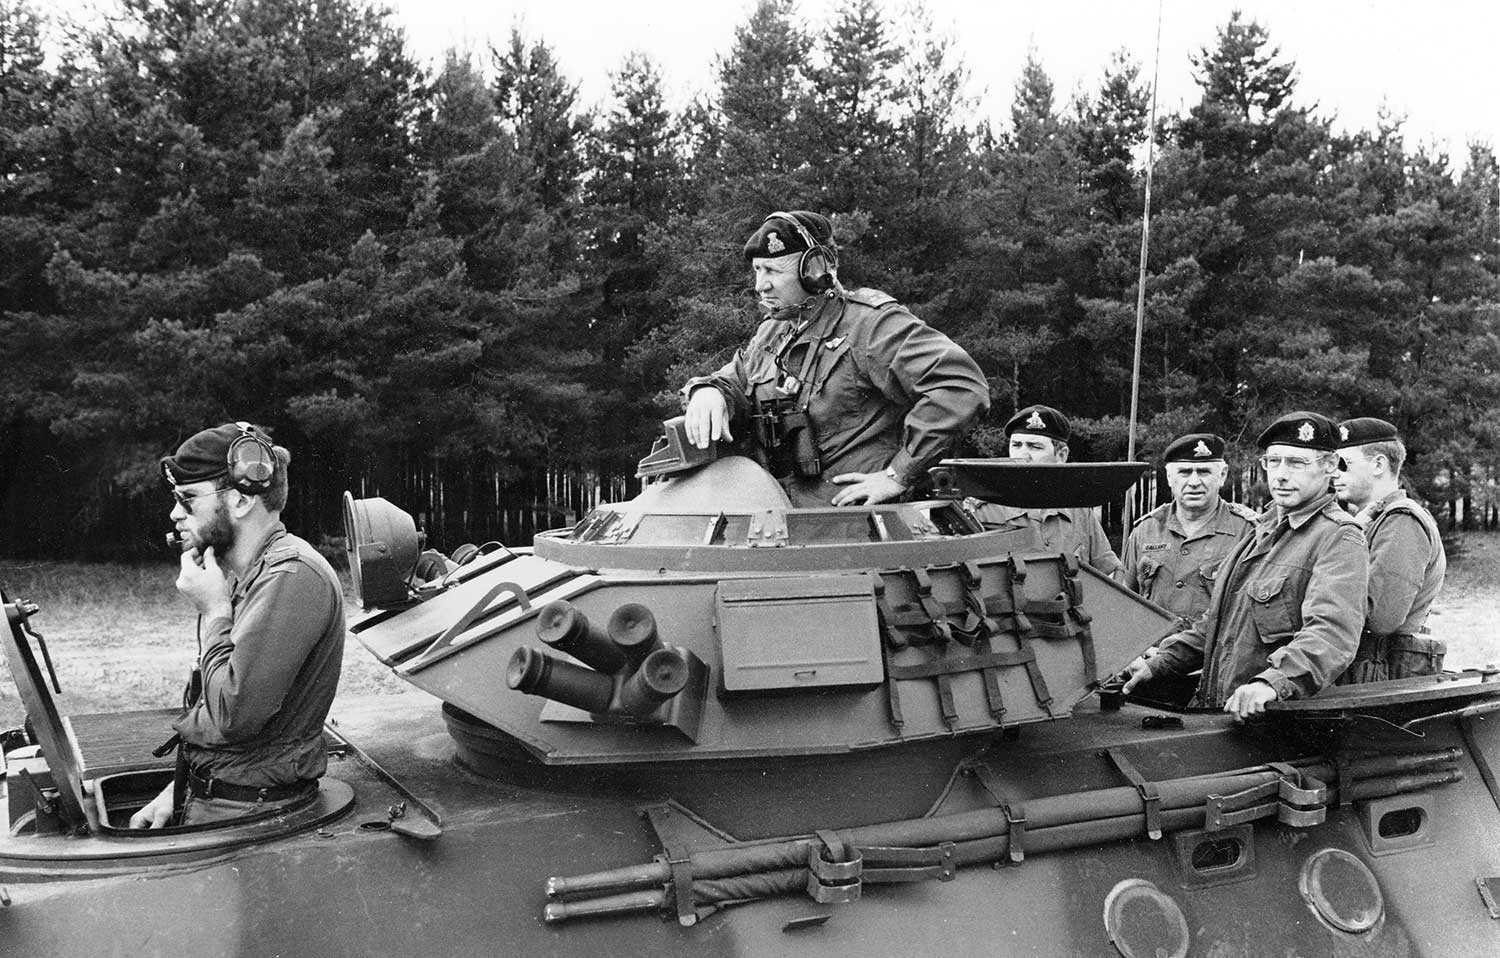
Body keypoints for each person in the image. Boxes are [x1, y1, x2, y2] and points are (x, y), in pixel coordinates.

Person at [681, 210, 990, 507]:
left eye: (773, 271)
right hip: (780, 519)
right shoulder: (774, 332)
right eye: (758, 270)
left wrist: (898, 475)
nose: (760, 285)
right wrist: (708, 391)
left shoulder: (870, 326)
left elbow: (960, 386)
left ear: (815, 271)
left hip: (853, 526)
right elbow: (736, 377)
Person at [131, 422, 345, 828]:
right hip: (227, 795)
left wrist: (214, 612)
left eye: (188, 498)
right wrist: (177, 789)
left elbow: (235, 714)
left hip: (250, 812)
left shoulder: (292, 576)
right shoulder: (252, 575)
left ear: (242, 501)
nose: (175, 513)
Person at [1121, 412, 1368, 719]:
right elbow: (1215, 623)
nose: (1280, 474)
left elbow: (1331, 634)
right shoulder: (1262, 531)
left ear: (1329, 467)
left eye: (1296, 463)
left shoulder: (1338, 536)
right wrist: (1159, 663)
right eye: (1273, 462)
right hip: (1221, 709)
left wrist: (1272, 682)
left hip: (1273, 719)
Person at [1333, 416, 1447, 682]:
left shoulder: (1401, 521)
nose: (1334, 472)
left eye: (1343, 464)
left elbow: (1381, 618)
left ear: (1378, 465)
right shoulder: (1370, 520)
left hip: (1378, 674)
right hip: (1360, 669)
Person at [966, 404, 1123, 576]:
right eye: (1016, 445)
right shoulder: (983, 511)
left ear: (1061, 456)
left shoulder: (1077, 510)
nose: (1022, 455)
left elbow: (1110, 571)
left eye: (1035, 447)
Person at [1122, 433, 1257, 624]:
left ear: (1222, 475)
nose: (1194, 482)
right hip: (1153, 651)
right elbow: (1125, 601)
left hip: (1213, 652)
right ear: (1169, 477)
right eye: (1184, 472)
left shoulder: (1248, 532)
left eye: (1204, 472)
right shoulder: (1145, 531)